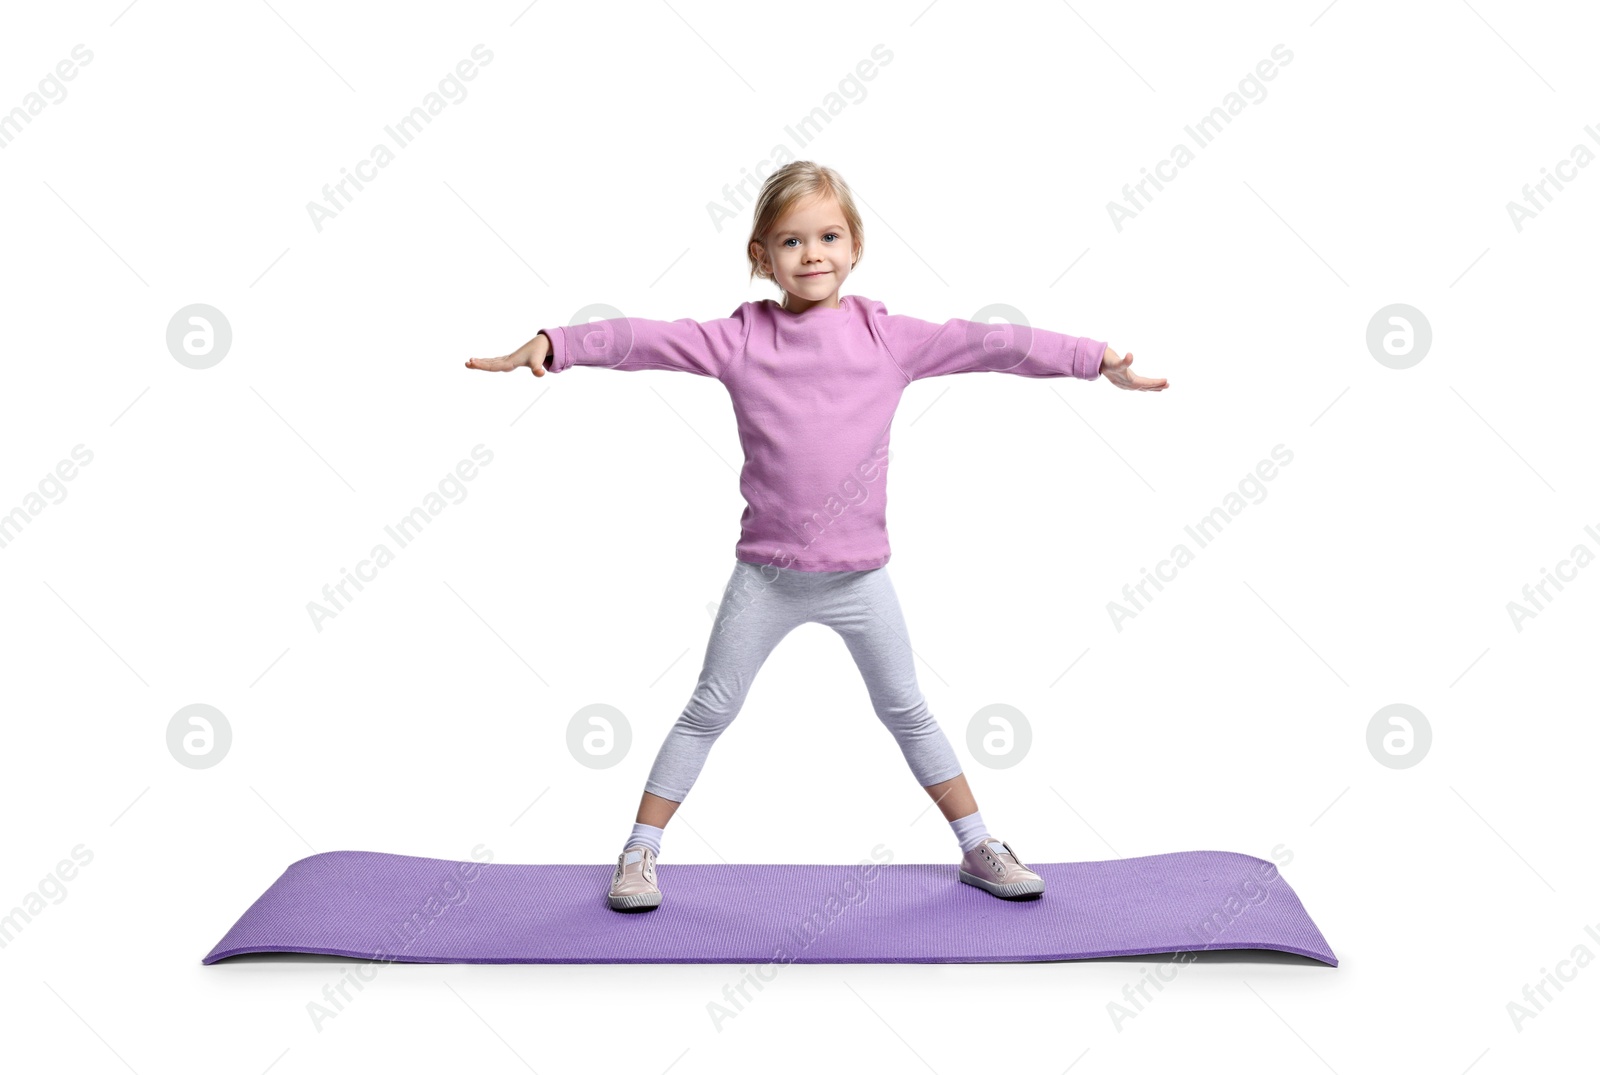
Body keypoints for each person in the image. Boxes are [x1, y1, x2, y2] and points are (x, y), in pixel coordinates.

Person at [465, 161, 1167, 912]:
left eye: (829, 236)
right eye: (792, 241)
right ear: (762, 257)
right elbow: (645, 339)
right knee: (709, 708)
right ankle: (640, 852)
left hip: (861, 578)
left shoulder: (888, 337)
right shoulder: (740, 339)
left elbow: (994, 344)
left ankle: (979, 846)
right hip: (766, 576)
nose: (813, 254)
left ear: (855, 244)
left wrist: (1094, 359)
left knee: (909, 709)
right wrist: (556, 341)